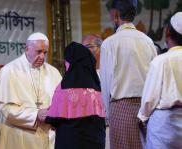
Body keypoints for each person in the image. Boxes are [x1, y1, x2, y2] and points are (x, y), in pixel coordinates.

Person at [100, 0, 157, 148]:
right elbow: (155, 80)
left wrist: (107, 115)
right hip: (146, 109)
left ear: (116, 15)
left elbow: (105, 83)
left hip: (120, 108)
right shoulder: (148, 41)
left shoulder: (109, 43)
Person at [0, 32, 62, 149]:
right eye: (38, 52)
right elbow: (6, 109)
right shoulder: (9, 71)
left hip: (48, 137)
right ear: (27, 49)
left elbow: (61, 102)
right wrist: (35, 115)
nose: (42, 57)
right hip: (19, 137)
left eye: (45, 53)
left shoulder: (53, 72)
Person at [45, 42, 105, 149]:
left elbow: (52, 119)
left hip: (69, 142)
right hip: (95, 143)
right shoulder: (98, 89)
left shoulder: (63, 89)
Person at [137, 12, 182, 149]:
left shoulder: (161, 61)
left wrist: (142, 117)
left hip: (164, 127)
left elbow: (149, 99)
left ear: (168, 32)